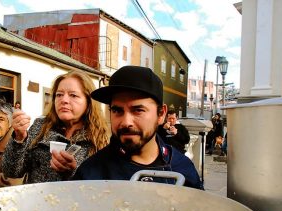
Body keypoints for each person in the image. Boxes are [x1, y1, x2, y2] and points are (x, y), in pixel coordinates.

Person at [73, 65, 203, 189]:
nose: (126, 122)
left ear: (161, 114)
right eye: (117, 111)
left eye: (138, 110)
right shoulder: (91, 174)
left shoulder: (182, 168)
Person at [2, 70, 109, 184]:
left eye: (73, 95)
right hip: (36, 200)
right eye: (59, 95)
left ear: (88, 101)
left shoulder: (98, 137)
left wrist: (73, 172)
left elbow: (99, 185)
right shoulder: (40, 126)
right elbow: (11, 172)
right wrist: (19, 138)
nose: (64, 100)